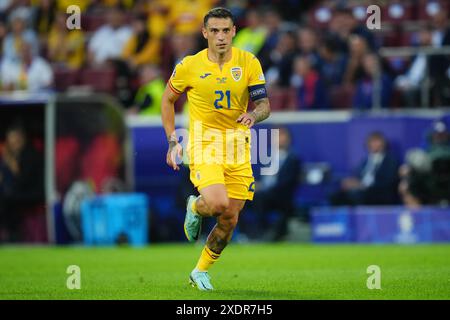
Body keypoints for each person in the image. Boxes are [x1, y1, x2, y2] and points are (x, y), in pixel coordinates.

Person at [161, 7, 270, 291]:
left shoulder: (248, 62)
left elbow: (264, 105)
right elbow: (167, 100)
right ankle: (195, 205)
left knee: (229, 218)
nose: (221, 37)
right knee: (218, 203)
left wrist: (253, 115)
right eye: (215, 31)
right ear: (205, 33)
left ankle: (199, 271)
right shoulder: (189, 65)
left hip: (238, 147)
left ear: (234, 31)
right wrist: (173, 140)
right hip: (204, 144)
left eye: (226, 30)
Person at [252, 127, 301, 241]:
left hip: (281, 196)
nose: (279, 139)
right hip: (262, 193)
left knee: (260, 197)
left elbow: (288, 182)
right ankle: (244, 234)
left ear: (288, 139)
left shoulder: (293, 159)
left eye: (282, 136)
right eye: (276, 136)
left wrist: (264, 188)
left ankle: (265, 233)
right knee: (240, 198)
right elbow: (258, 176)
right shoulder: (266, 157)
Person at [331, 131, 399, 206]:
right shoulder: (365, 161)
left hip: (377, 192)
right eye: (372, 142)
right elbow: (357, 176)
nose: (375, 145)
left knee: (357, 194)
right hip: (360, 190)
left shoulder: (391, 161)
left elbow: (388, 182)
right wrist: (351, 182)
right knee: (336, 196)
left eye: (377, 141)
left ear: (383, 144)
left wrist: (363, 185)